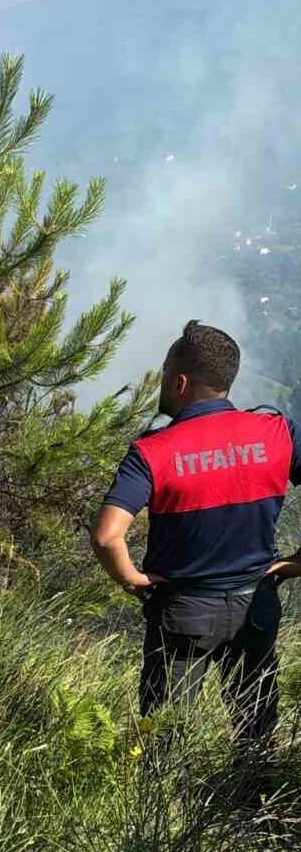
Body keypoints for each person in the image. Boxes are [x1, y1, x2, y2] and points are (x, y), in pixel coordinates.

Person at [92, 320, 301, 756]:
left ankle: (162, 815)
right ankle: (251, 812)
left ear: (181, 381)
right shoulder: (279, 433)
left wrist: (132, 578)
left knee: (163, 740)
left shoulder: (151, 452)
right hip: (257, 603)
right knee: (256, 730)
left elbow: (108, 536)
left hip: (184, 613)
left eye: (166, 373)